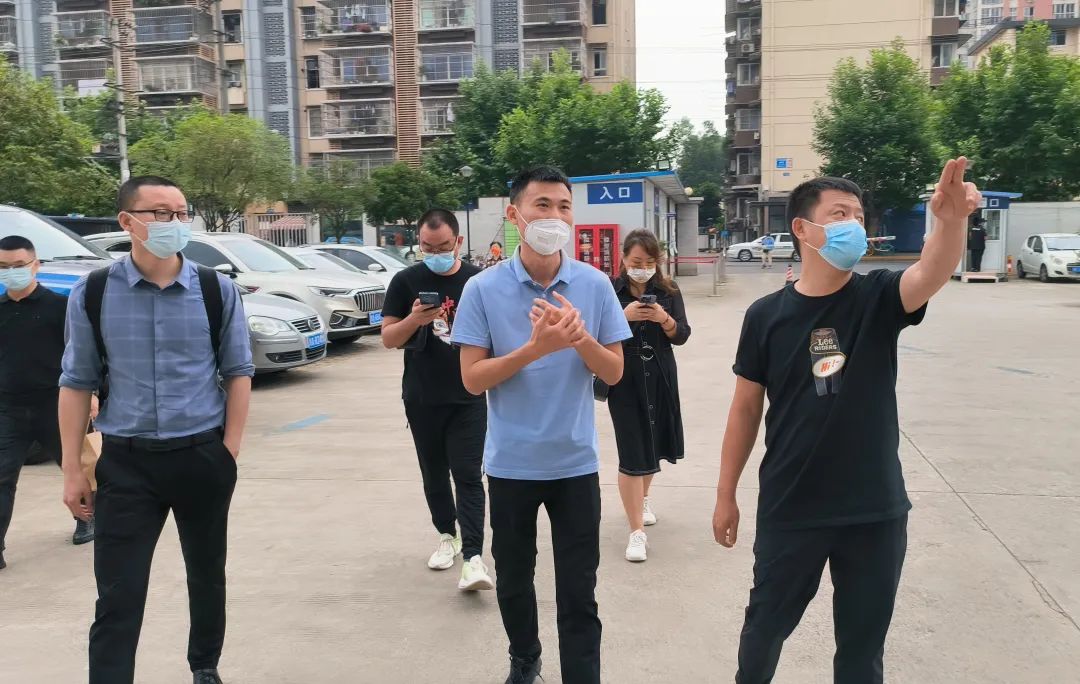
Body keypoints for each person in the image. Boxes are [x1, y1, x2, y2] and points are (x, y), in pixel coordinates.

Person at [711, 159, 981, 684]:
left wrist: (950, 222)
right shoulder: (765, 316)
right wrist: (726, 494)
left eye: (858, 215)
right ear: (803, 228)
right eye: (839, 214)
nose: (853, 224)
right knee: (763, 634)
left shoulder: (878, 297)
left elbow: (931, 270)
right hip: (793, 504)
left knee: (861, 652)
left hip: (873, 510)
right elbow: (745, 409)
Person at [58, 176, 255, 684]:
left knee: (206, 574)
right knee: (118, 591)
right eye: (161, 213)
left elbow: (238, 372)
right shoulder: (94, 292)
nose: (175, 223)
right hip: (127, 463)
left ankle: (204, 665)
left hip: (201, 456)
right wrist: (72, 469)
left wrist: (229, 450)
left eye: (182, 213)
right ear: (128, 222)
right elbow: (76, 382)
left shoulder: (215, 290)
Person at [451, 166, 631, 684]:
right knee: (513, 580)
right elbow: (472, 379)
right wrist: (534, 349)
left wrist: (579, 339)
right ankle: (525, 658)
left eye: (564, 206)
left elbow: (614, 372)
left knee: (579, 589)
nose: (555, 216)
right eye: (543, 205)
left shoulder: (595, 285)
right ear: (515, 214)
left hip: (575, 464)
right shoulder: (483, 289)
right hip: (511, 465)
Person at [380, 208, 493, 592]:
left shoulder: (478, 281)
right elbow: (388, 338)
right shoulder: (405, 281)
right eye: (427, 247)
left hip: (469, 395)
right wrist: (414, 320)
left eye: (443, 247)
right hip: (422, 396)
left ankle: (473, 557)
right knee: (433, 474)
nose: (435, 254)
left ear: (458, 242)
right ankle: (448, 535)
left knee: (468, 474)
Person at [0, 236, 96, 571]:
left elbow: (82, 356)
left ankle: (87, 519)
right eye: (3, 267)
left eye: (19, 265)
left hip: (56, 405)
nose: (11, 272)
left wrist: (91, 395)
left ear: (35, 265)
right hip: (8, 408)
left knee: (78, 467)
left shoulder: (60, 307)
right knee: (2, 476)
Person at [606, 229, 690, 562]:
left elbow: (682, 334)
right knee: (632, 449)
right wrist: (622, 315)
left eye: (649, 262)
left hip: (660, 373)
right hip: (624, 376)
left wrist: (664, 318)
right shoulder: (610, 290)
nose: (642, 269)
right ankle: (636, 532)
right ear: (624, 258)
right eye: (637, 262)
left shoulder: (668, 290)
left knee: (654, 442)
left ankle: (641, 500)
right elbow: (593, 331)